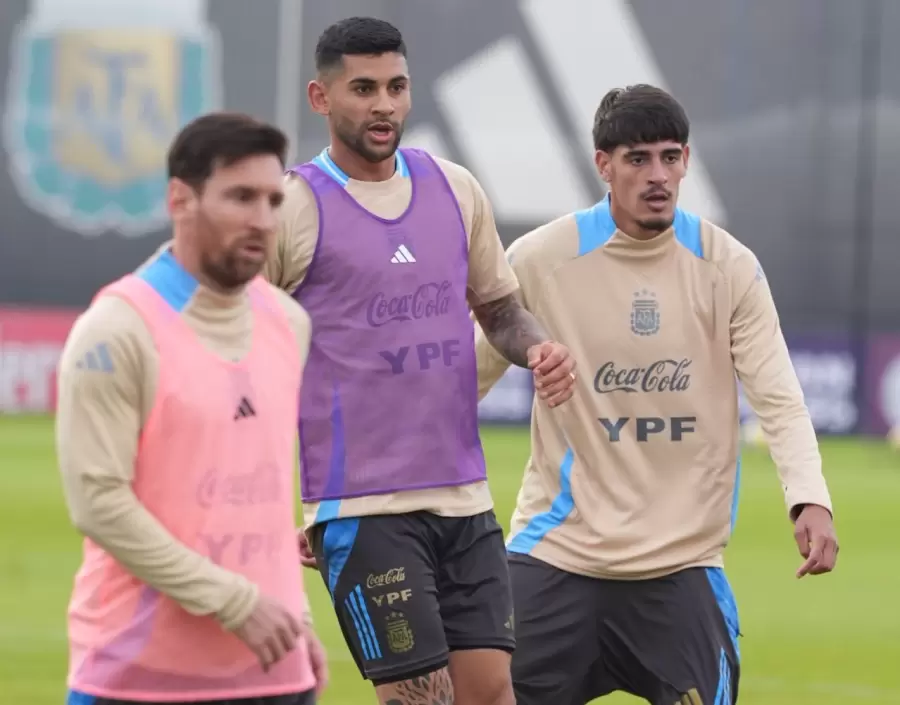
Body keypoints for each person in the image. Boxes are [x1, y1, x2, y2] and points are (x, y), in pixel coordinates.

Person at [475, 84, 839, 705]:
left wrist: (810, 498)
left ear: (687, 160)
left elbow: (778, 396)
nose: (658, 176)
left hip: (681, 567)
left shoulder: (729, 267)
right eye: (638, 159)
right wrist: (371, 499)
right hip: (557, 557)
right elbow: (460, 384)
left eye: (670, 157)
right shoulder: (541, 259)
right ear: (603, 165)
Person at [263, 15, 576, 705]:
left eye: (397, 87)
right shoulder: (290, 206)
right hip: (362, 504)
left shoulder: (454, 188)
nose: (384, 104)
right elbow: (242, 339)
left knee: (492, 693)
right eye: (364, 87)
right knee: (420, 697)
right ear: (321, 98)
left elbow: (499, 310)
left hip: (464, 498)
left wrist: (539, 347)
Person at [56, 112, 328, 705]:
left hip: (273, 672)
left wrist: (297, 615)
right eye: (240, 197)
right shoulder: (117, 330)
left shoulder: (289, 323)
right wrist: (234, 601)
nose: (263, 220)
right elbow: (98, 501)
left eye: (273, 199)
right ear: (181, 198)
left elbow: (265, 491)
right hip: (136, 678)